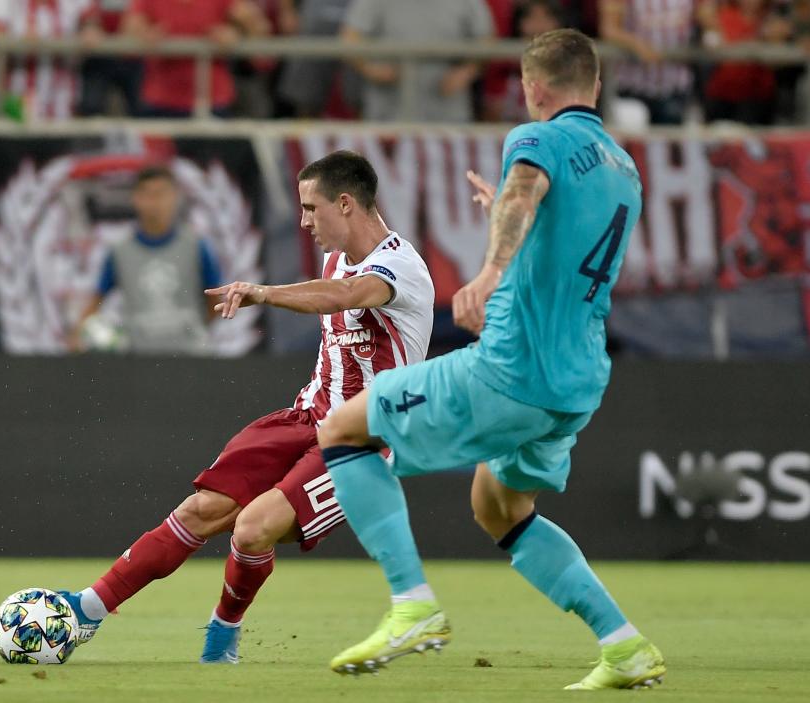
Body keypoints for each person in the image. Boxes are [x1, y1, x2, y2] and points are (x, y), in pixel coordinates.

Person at [317, 29, 665, 691]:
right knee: (497, 505)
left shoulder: (534, 140)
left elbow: (522, 194)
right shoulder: (621, 164)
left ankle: (410, 604)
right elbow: (559, 237)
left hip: (511, 368)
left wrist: (486, 269)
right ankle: (623, 645)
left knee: (340, 428)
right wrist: (507, 226)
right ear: (594, 83)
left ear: (534, 87)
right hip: (576, 379)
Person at [57, 150, 435, 664]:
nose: (303, 222)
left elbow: (345, 295)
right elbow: (337, 289)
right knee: (201, 509)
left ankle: (221, 635)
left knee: (253, 527)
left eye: (310, 207)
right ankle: (87, 610)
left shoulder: (400, 267)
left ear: (345, 203)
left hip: (364, 440)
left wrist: (263, 293)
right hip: (307, 416)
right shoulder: (334, 259)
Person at [70, 165, 223, 355]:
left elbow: (216, 302)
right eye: (148, 195)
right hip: (140, 361)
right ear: (136, 199)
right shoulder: (120, 251)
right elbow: (96, 302)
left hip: (191, 358)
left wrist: (193, 330)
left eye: (161, 194)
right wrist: (78, 334)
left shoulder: (196, 246)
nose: (155, 202)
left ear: (174, 197)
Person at [341, 0, 494, 122]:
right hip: (387, 116)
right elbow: (350, 38)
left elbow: (487, 40)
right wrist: (372, 69)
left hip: (449, 116)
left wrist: (466, 72)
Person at [123, 0, 270, 118]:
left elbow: (258, 26)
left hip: (212, 100)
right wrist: (144, 35)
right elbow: (129, 31)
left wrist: (236, 33)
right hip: (160, 100)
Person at [0, 0, 94, 121]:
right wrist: (19, 42)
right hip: (15, 103)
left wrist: (89, 29)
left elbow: (91, 25)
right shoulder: (4, 4)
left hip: (62, 102)